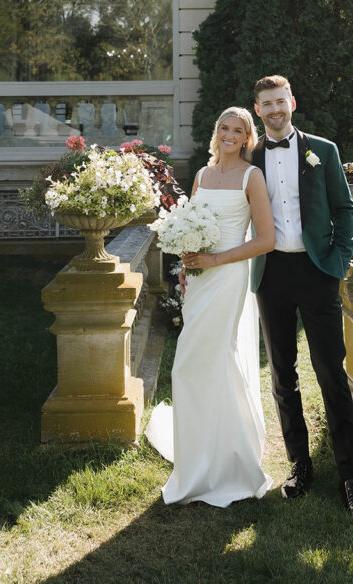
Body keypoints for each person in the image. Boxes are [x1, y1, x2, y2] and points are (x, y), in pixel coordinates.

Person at [250, 75, 353, 519]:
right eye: (267, 103)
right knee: (284, 375)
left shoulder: (325, 149)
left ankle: (350, 477)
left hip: (318, 271)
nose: (275, 109)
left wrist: (337, 263)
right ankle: (300, 465)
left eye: (281, 101)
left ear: (293, 103)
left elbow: (345, 209)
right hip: (271, 274)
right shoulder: (251, 157)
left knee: (330, 373)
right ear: (258, 109)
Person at [145, 106, 276, 506]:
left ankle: (229, 461)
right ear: (215, 132)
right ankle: (202, 452)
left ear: (248, 138)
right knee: (198, 362)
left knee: (203, 360)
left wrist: (216, 260)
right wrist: (188, 258)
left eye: (238, 130)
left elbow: (266, 239)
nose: (230, 135)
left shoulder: (252, 177)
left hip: (228, 276)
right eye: (224, 128)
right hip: (198, 278)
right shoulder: (202, 175)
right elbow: (195, 220)